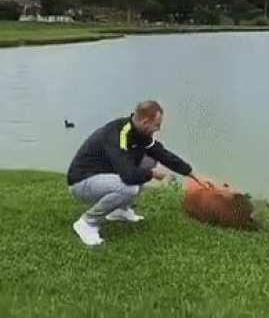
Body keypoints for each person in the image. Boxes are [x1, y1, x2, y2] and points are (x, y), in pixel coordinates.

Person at [67, 100, 210, 246]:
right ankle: (87, 223)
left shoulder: (140, 134)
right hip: (81, 182)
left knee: (149, 160)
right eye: (156, 125)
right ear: (145, 121)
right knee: (129, 187)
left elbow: (163, 155)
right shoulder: (118, 133)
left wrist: (194, 175)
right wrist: (151, 174)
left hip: (104, 177)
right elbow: (128, 176)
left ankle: (121, 211)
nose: (158, 129)